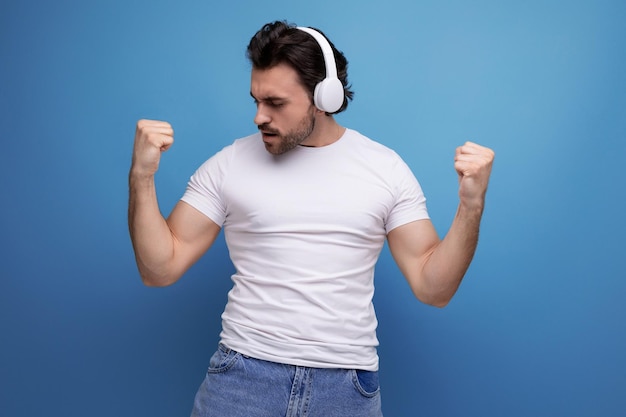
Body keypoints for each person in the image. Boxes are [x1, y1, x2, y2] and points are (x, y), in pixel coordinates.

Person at [128, 20, 494, 417]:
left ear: (326, 97)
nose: (259, 117)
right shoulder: (229, 164)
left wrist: (471, 206)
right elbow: (159, 269)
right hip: (241, 381)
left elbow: (432, 287)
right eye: (256, 101)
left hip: (346, 390)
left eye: (276, 103)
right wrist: (142, 177)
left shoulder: (385, 169)